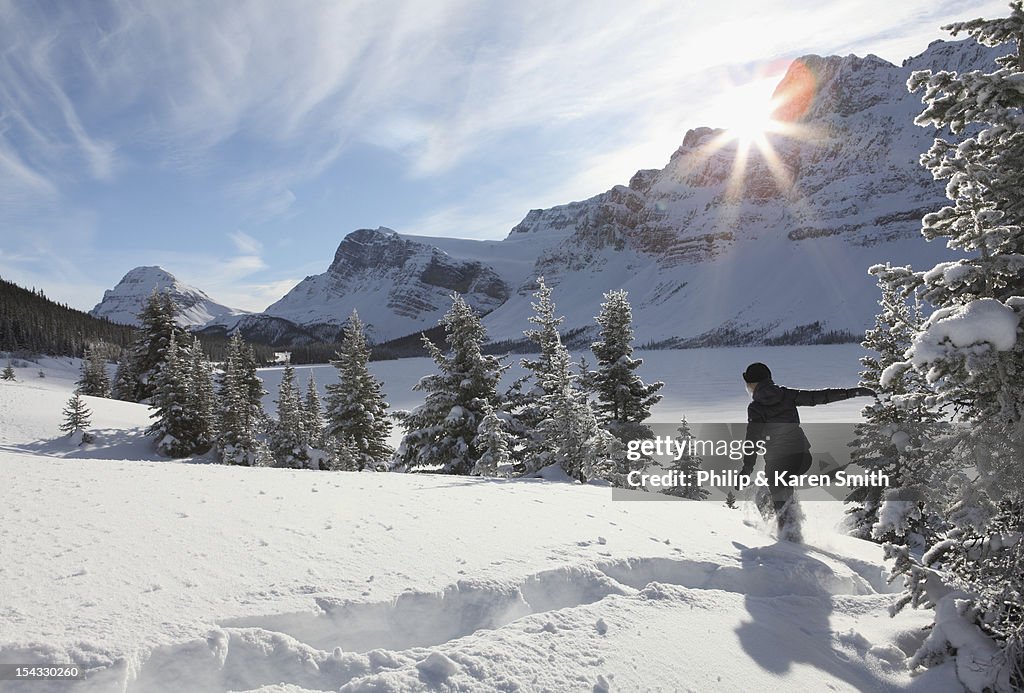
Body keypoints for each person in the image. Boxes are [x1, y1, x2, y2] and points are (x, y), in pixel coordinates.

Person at [737, 362, 875, 540]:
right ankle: (785, 528)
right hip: (802, 458)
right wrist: (851, 392)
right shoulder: (785, 394)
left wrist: (746, 470)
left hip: (779, 463)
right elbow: (819, 397)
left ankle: (788, 539)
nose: (747, 387)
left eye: (748, 384)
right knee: (774, 493)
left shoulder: (756, 408)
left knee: (773, 494)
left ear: (754, 384)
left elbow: (752, 441)